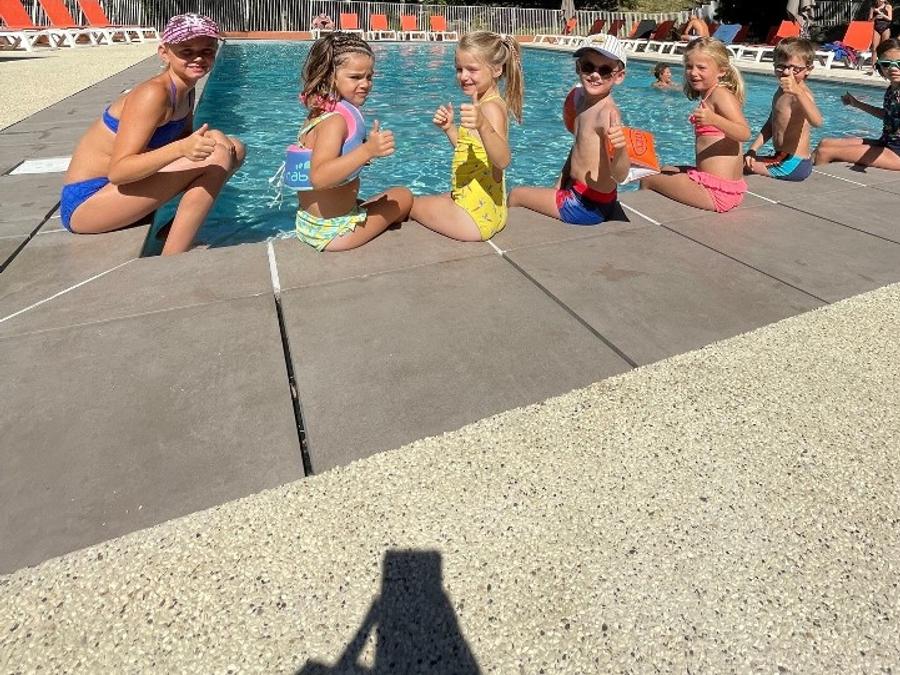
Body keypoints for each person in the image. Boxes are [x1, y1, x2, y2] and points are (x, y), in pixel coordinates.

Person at [60, 13, 245, 255]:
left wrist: (213, 135)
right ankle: (172, 257)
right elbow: (119, 171)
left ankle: (173, 231)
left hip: (120, 194)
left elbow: (186, 142)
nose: (198, 58)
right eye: (186, 52)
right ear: (164, 53)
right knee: (217, 157)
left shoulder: (185, 91)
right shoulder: (153, 94)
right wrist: (181, 149)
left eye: (207, 51)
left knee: (234, 148)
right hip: (88, 204)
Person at [292, 33, 412, 251]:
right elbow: (319, 177)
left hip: (309, 222)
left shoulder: (319, 113)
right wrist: (367, 151)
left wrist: (361, 153)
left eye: (369, 77)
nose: (365, 84)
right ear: (330, 77)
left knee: (376, 199)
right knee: (403, 196)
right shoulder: (335, 121)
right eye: (355, 77)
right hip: (334, 232)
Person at [411, 31, 524, 241]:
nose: (463, 76)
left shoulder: (489, 109)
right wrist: (449, 129)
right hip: (488, 211)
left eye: (472, 69)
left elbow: (502, 160)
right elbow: (472, 152)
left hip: (473, 218)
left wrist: (483, 124)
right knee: (438, 199)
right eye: (459, 69)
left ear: (497, 69)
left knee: (407, 203)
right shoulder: (488, 103)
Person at [509, 35, 629, 225]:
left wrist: (621, 149)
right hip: (584, 194)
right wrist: (560, 182)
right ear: (578, 67)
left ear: (619, 76)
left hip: (586, 206)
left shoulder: (607, 115)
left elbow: (621, 176)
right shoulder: (581, 101)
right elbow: (579, 147)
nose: (595, 75)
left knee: (516, 195)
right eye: (588, 66)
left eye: (605, 70)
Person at [639, 38, 751, 213]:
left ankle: (643, 222)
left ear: (721, 71)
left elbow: (744, 133)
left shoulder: (720, 95)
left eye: (701, 68)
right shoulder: (710, 95)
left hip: (716, 192)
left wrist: (714, 120)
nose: (693, 73)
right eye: (689, 67)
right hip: (724, 187)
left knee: (647, 178)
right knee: (665, 169)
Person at [813, 39, 900, 170]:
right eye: (887, 64)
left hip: (897, 153)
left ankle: (816, 181)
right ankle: (801, 171)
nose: (893, 68)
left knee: (824, 152)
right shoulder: (892, 89)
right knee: (825, 143)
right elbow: (887, 115)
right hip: (886, 143)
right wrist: (857, 104)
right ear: (880, 66)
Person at [744, 38, 823, 181]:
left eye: (795, 69)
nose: (787, 72)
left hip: (792, 163)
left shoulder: (802, 95)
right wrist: (753, 149)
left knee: (732, 166)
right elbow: (771, 124)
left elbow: (817, 122)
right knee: (738, 159)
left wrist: (798, 92)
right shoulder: (781, 90)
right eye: (781, 66)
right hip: (781, 157)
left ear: (808, 70)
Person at [869, 0, 893, 72]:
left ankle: (883, 66)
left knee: (884, 48)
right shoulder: (873, 8)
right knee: (874, 48)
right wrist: (875, 17)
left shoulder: (888, 6)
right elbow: (869, 20)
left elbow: (890, 19)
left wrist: (880, 13)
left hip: (885, 28)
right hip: (876, 28)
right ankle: (873, 67)